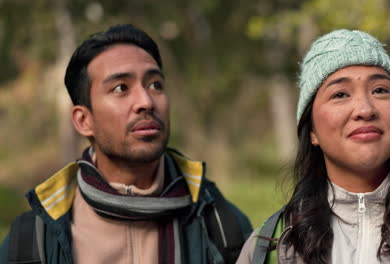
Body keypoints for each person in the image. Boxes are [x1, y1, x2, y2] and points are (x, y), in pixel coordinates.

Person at [0, 24, 252, 264]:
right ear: (84, 120)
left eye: (155, 85)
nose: (146, 101)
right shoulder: (33, 242)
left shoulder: (222, 227)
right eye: (121, 88)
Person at [237, 29, 390, 263]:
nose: (365, 109)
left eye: (380, 90)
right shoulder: (269, 250)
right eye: (340, 94)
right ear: (312, 131)